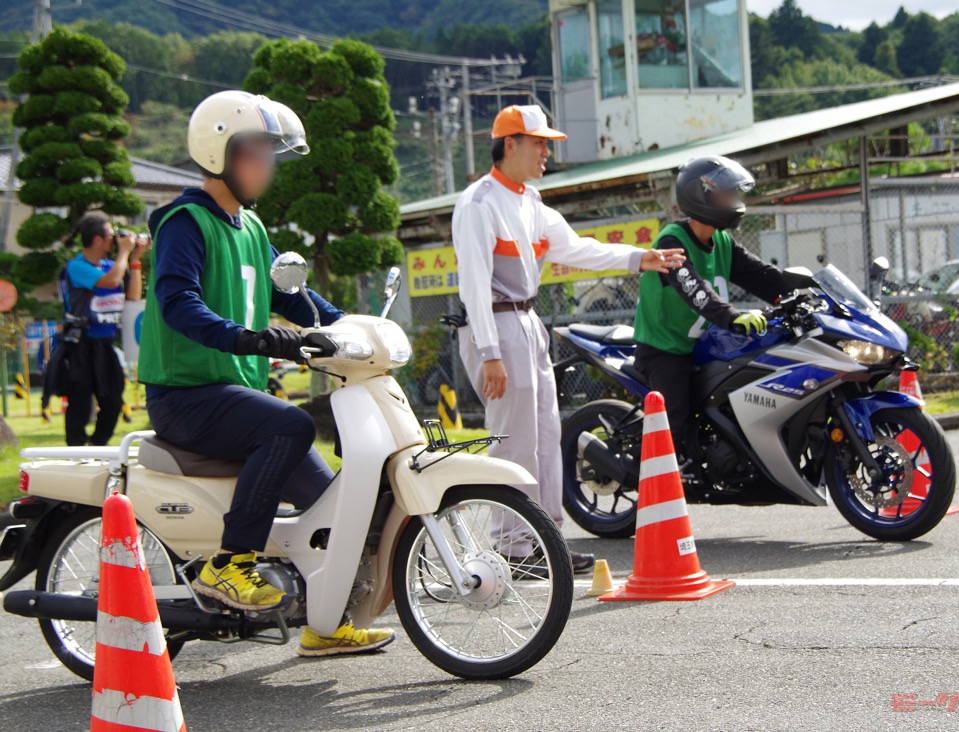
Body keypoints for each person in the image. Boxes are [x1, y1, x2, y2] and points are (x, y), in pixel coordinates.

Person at [137, 90, 393, 657]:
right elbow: (177, 302)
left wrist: (349, 326)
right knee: (291, 425)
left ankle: (323, 624)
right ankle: (230, 565)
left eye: (273, 153)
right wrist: (247, 337)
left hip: (232, 394)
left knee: (329, 500)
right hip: (187, 396)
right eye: (258, 150)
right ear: (220, 151)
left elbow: (293, 293)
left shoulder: (249, 226)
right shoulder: (185, 221)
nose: (269, 164)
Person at [451, 104, 685, 574]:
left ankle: (544, 540)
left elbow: (578, 250)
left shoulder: (530, 202)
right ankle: (511, 544)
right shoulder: (479, 203)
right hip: (495, 325)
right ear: (509, 144)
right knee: (512, 439)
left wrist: (641, 258)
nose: (546, 153)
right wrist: (490, 353)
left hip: (526, 322)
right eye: (539, 143)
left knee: (544, 434)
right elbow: (474, 284)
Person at [632, 155, 789, 457]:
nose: (733, 200)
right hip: (666, 349)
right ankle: (649, 484)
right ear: (699, 195)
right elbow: (695, 291)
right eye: (726, 194)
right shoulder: (671, 242)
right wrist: (732, 317)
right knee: (673, 424)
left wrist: (811, 294)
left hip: (706, 346)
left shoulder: (722, 241)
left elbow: (763, 277)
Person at [57, 212, 147, 446]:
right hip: (80, 344)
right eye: (111, 234)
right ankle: (76, 450)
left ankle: (97, 445)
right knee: (80, 402)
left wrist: (135, 259)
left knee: (114, 400)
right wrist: (124, 252)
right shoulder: (77, 266)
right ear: (97, 239)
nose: (115, 239)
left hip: (104, 345)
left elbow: (133, 296)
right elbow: (110, 281)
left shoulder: (111, 265)